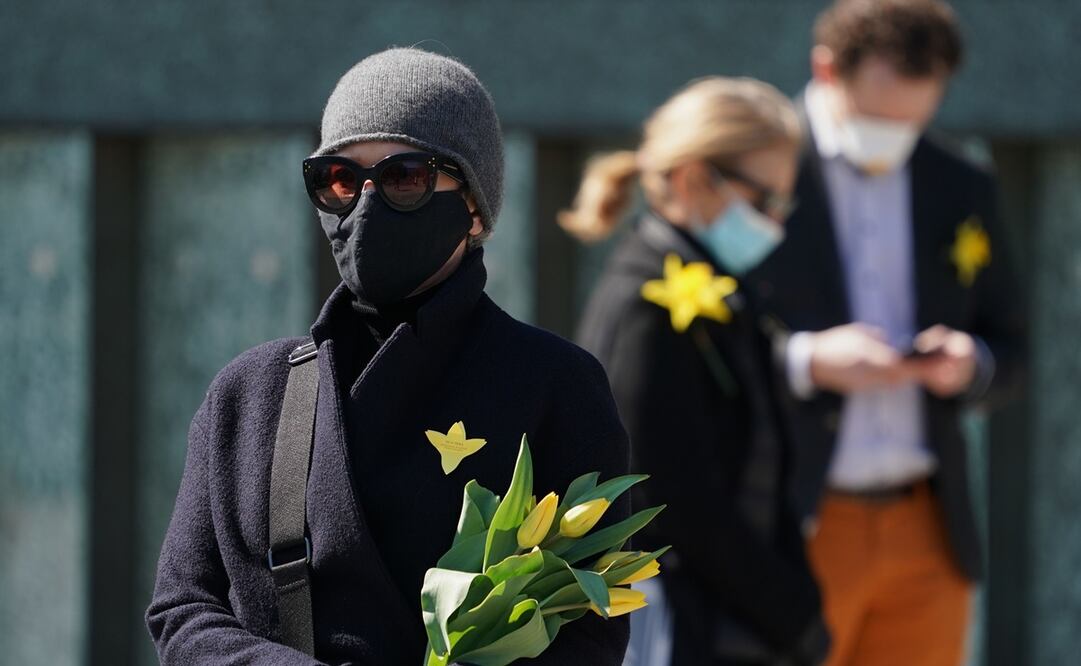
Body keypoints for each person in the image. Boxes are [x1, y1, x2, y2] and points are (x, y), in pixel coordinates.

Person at [146, 47, 631, 664]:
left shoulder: (556, 385)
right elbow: (183, 610)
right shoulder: (250, 393)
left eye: (406, 176)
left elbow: (592, 628)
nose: (367, 203)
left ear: (475, 210)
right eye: (341, 179)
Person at [747, 1, 1025, 664]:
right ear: (825, 69)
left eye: (913, 120)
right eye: (878, 117)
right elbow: (691, 336)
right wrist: (808, 360)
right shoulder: (750, 168)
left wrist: (970, 364)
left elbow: (1010, 344)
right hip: (797, 515)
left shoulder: (960, 183)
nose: (892, 136)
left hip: (927, 522)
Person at [567, 77, 830, 666]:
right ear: (692, 179)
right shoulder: (649, 302)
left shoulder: (708, 285)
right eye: (763, 202)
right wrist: (791, 610)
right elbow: (672, 497)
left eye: (784, 206)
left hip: (725, 622)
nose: (775, 224)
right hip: (686, 628)